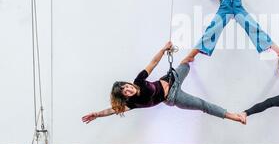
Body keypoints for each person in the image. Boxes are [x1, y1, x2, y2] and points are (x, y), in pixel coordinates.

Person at [82, 41, 245, 124]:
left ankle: (205, 41)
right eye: (124, 91)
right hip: (174, 97)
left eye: (126, 86)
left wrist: (163, 49)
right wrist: (96, 114)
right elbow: (112, 110)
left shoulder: (138, 80)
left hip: (172, 77)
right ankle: (234, 116)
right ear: (124, 96)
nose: (128, 89)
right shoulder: (132, 103)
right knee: (202, 105)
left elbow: (153, 63)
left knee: (187, 59)